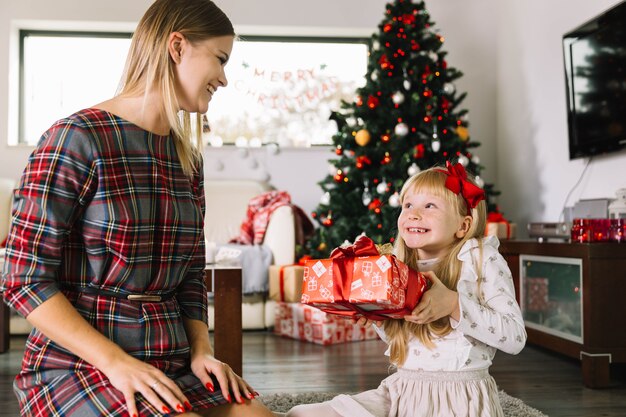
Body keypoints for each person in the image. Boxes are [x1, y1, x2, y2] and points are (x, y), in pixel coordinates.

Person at [0, 1, 276, 416]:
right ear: (177, 46)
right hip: (80, 365)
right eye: (220, 59)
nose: (223, 77)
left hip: (171, 359)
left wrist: (202, 350)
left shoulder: (187, 159)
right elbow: (22, 278)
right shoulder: (75, 138)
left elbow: (188, 277)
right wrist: (116, 363)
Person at [285, 162, 527, 417]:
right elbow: (403, 343)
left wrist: (454, 305)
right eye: (408, 205)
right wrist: (379, 318)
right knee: (301, 415)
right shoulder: (398, 266)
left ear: (463, 226)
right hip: (402, 392)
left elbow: (515, 338)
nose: (413, 213)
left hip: (459, 400)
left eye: (429, 206)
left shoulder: (479, 259)